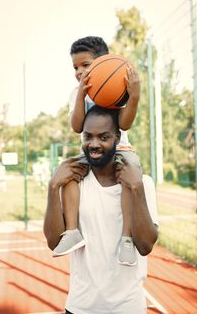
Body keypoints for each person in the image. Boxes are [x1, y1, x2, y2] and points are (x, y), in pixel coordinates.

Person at [43, 105, 159, 314]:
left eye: (103, 137)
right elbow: (53, 243)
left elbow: (145, 246)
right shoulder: (74, 185)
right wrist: (53, 187)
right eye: (88, 136)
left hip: (128, 309)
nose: (94, 144)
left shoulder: (143, 184)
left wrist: (137, 189)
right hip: (80, 308)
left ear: (117, 138)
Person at [52, 36, 141, 266]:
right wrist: (82, 95)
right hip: (91, 153)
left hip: (119, 150)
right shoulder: (76, 94)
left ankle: (127, 239)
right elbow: (76, 126)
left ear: (104, 64)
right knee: (68, 172)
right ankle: (72, 231)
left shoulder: (116, 87)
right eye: (75, 67)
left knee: (130, 175)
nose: (79, 71)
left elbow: (125, 123)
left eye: (86, 65)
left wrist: (134, 96)